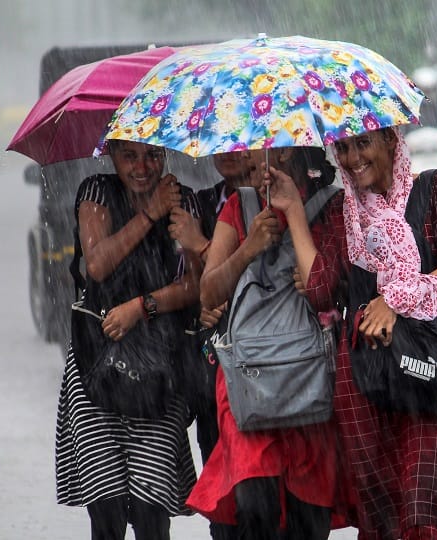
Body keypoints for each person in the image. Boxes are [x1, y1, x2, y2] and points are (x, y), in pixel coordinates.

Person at [331, 126, 437, 540]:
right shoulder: (341, 211)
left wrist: (396, 297)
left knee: (419, 513)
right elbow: (319, 289)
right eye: (342, 148)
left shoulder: (433, 189)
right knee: (378, 521)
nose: (352, 158)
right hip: (361, 375)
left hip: (426, 364)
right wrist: (292, 211)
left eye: (363, 143)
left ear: (391, 142)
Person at [185, 146, 345, 540]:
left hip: (308, 384)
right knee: (255, 511)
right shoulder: (238, 208)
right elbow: (208, 293)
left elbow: (333, 289)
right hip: (250, 385)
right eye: (251, 160)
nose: (252, 166)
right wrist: (249, 247)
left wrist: (293, 214)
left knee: (309, 522)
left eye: (261, 158)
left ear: (288, 153)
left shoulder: (331, 206)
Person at [55, 140, 200, 539]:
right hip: (95, 368)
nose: (142, 167)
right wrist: (150, 213)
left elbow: (196, 285)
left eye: (152, 155)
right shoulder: (97, 191)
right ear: (111, 155)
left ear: (167, 154)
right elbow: (98, 264)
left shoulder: (183, 199)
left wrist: (143, 306)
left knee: (152, 513)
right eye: (129, 156)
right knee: (106, 509)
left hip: (161, 372)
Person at [171, 151, 255, 540]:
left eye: (241, 144)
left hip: (267, 362)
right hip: (217, 370)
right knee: (223, 502)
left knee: (266, 501)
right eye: (223, 144)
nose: (230, 153)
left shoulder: (272, 198)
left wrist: (201, 243)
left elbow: (262, 273)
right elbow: (197, 288)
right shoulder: (202, 203)